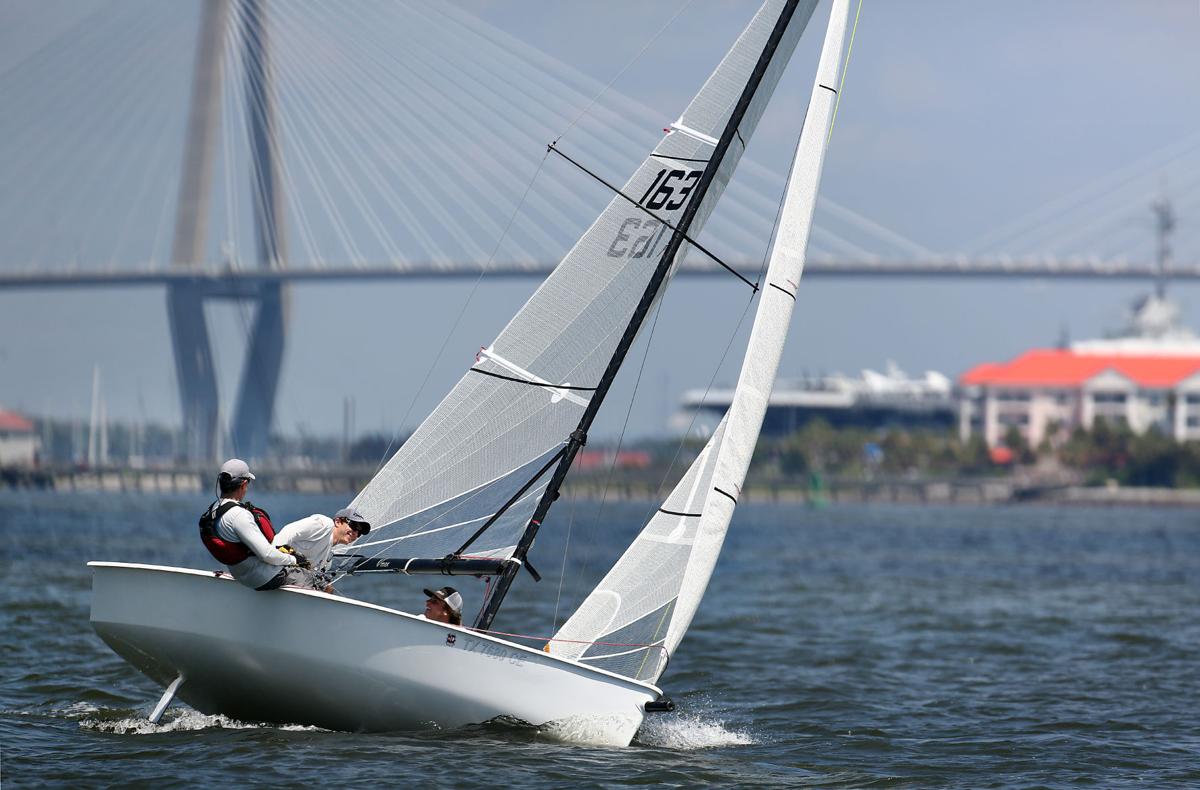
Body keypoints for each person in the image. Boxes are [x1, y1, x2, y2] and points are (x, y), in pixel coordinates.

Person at [198, 458, 299, 591]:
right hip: (267, 578)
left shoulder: (212, 511)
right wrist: (293, 560)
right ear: (244, 484)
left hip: (242, 577)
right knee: (320, 583)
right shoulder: (239, 515)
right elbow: (267, 554)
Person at [272, 506, 371, 588]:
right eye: (354, 526)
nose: (355, 533)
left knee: (327, 588)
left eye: (359, 532)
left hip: (287, 576)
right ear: (337, 522)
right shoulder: (325, 525)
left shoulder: (327, 556)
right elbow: (289, 530)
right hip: (275, 569)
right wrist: (276, 551)